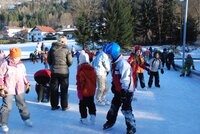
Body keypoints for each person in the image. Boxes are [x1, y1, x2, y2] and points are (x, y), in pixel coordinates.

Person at [103, 42, 136, 134]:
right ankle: (110, 121)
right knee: (114, 105)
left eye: (109, 55)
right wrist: (114, 85)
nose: (108, 57)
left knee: (126, 109)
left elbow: (127, 79)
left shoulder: (123, 64)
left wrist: (125, 92)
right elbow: (115, 77)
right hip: (119, 90)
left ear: (113, 53)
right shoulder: (114, 63)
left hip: (126, 91)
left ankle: (131, 127)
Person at [0, 48, 32, 133]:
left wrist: (27, 83)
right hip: (8, 88)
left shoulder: (21, 65)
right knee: (7, 107)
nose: (16, 59)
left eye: (18, 57)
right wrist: (1, 86)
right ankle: (3, 124)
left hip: (19, 87)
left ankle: (26, 119)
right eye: (14, 57)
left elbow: (24, 75)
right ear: (11, 56)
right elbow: (0, 76)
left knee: (22, 104)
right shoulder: (5, 64)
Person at [47, 36, 73, 111]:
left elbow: (49, 60)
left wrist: (53, 66)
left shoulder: (52, 49)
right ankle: (64, 106)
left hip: (54, 71)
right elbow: (70, 61)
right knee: (64, 89)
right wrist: (66, 66)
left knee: (54, 89)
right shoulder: (66, 49)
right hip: (64, 72)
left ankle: (54, 106)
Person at [76, 51, 97, 125]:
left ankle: (84, 118)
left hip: (84, 91)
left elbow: (80, 82)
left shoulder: (81, 70)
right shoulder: (92, 69)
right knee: (91, 103)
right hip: (92, 91)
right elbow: (95, 80)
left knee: (82, 105)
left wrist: (79, 91)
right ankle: (93, 116)